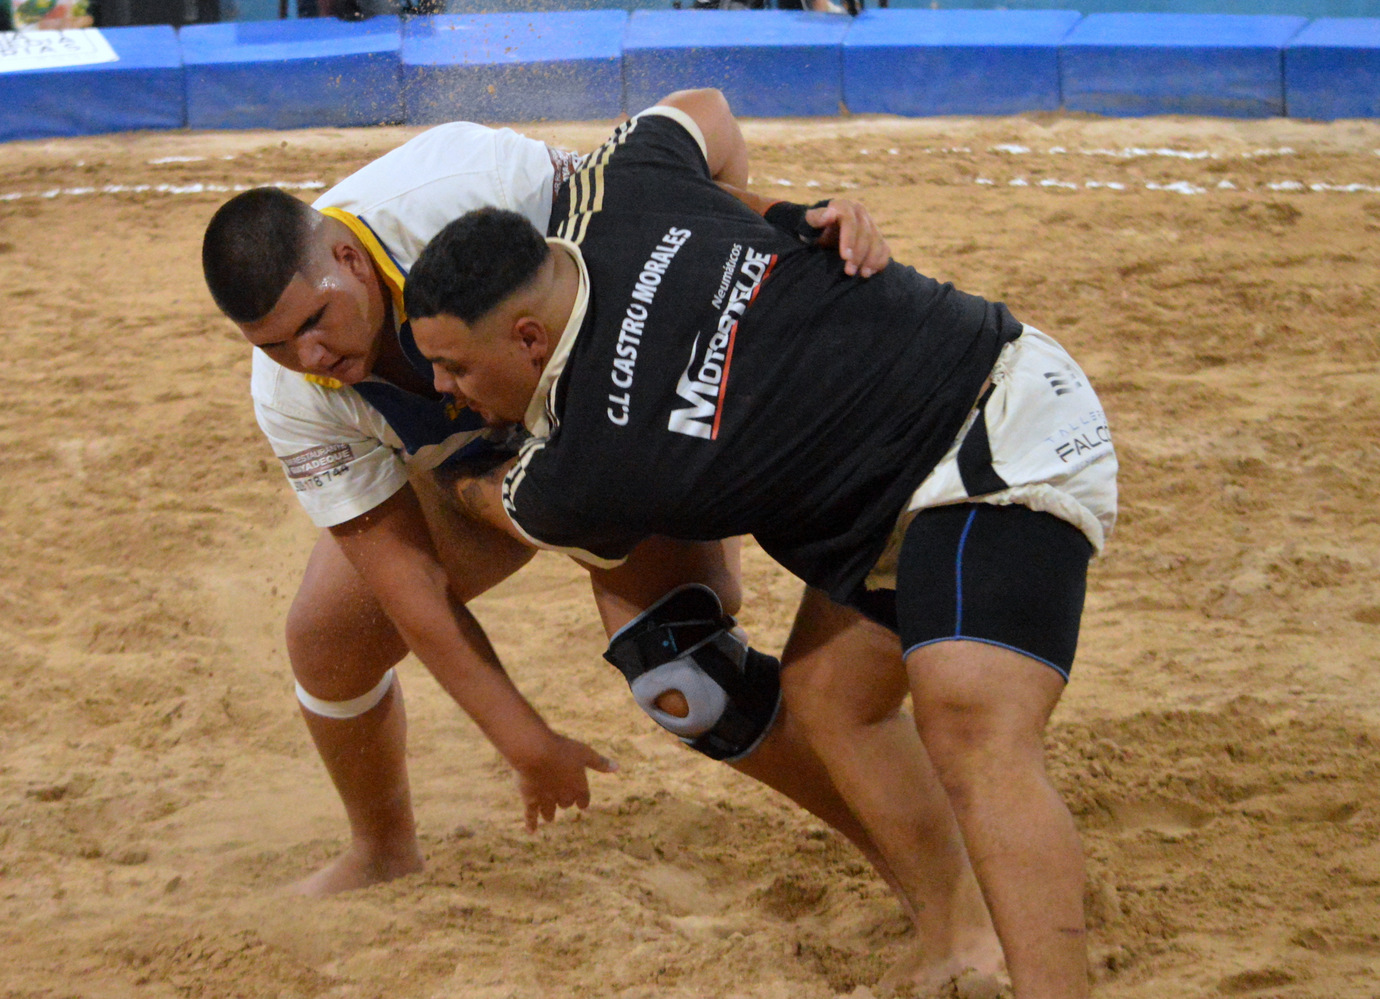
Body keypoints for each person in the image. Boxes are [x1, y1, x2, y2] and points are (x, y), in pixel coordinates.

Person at [200, 101, 1003, 993]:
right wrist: (525, 741)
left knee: (686, 672)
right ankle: (383, 848)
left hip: (630, 420)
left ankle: (940, 888)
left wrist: (779, 218)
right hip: (492, 479)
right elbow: (407, 584)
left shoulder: (462, 183)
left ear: (349, 259)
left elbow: (672, 175)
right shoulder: (294, 390)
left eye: (315, 319)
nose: (310, 353)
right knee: (325, 642)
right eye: (276, 345)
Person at [404, 89, 1117, 999]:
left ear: (531, 337)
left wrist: (443, 469)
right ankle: (954, 934)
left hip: (996, 429)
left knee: (970, 722)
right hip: (892, 503)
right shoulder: (616, 188)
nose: (445, 387)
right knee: (831, 695)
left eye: (456, 367)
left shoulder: (588, 467)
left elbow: (496, 501)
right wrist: (776, 211)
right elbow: (700, 108)